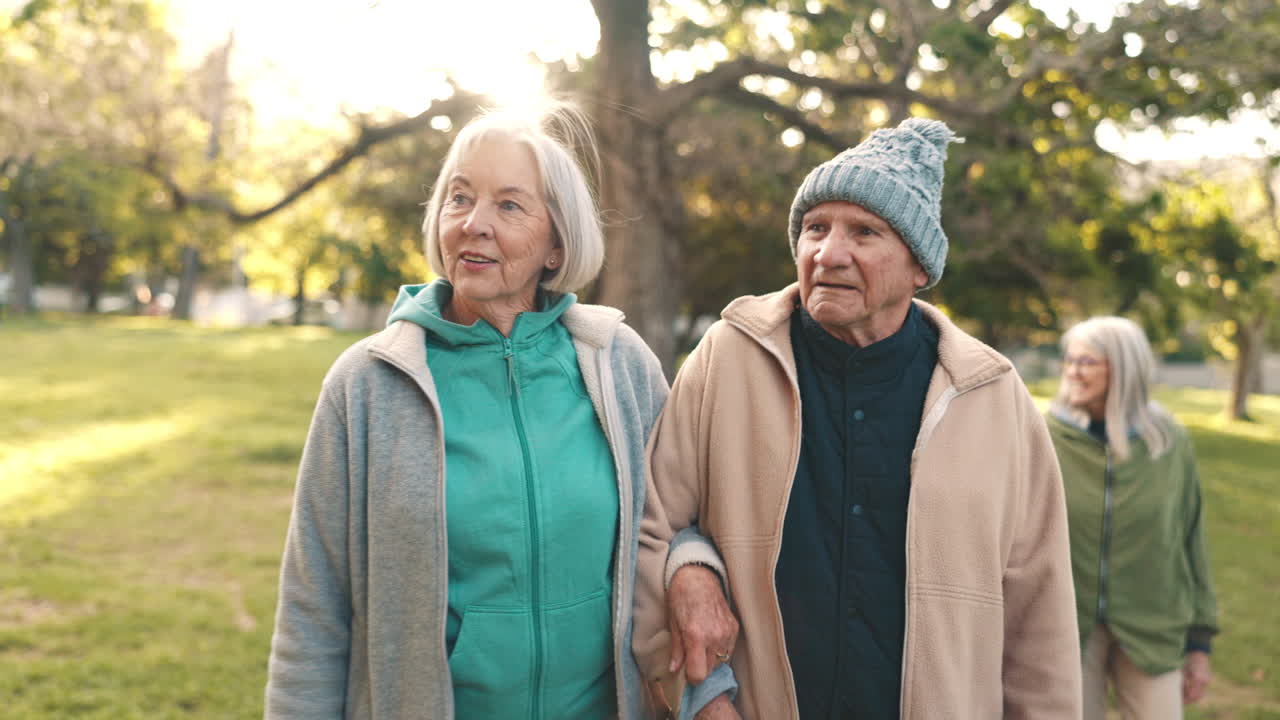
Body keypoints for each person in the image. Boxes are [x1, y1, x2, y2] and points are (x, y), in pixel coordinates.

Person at [632, 117, 1083, 719]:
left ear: (919, 267)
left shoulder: (991, 395)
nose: (829, 253)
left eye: (864, 232)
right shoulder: (728, 357)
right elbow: (649, 529)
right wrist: (703, 701)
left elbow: (1040, 610)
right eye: (815, 228)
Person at [264, 101, 695, 720]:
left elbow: (680, 523)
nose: (474, 224)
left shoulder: (620, 364)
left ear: (556, 244)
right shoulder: (367, 385)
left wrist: (695, 570)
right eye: (459, 198)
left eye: (509, 205)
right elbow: (313, 606)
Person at [1048, 316, 1218, 720]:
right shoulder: (1044, 436)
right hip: (1064, 625)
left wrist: (1199, 643)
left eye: (1087, 362)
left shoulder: (1168, 442)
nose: (1073, 371)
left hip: (1153, 624)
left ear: (1123, 370)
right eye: (1069, 360)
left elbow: (1190, 538)